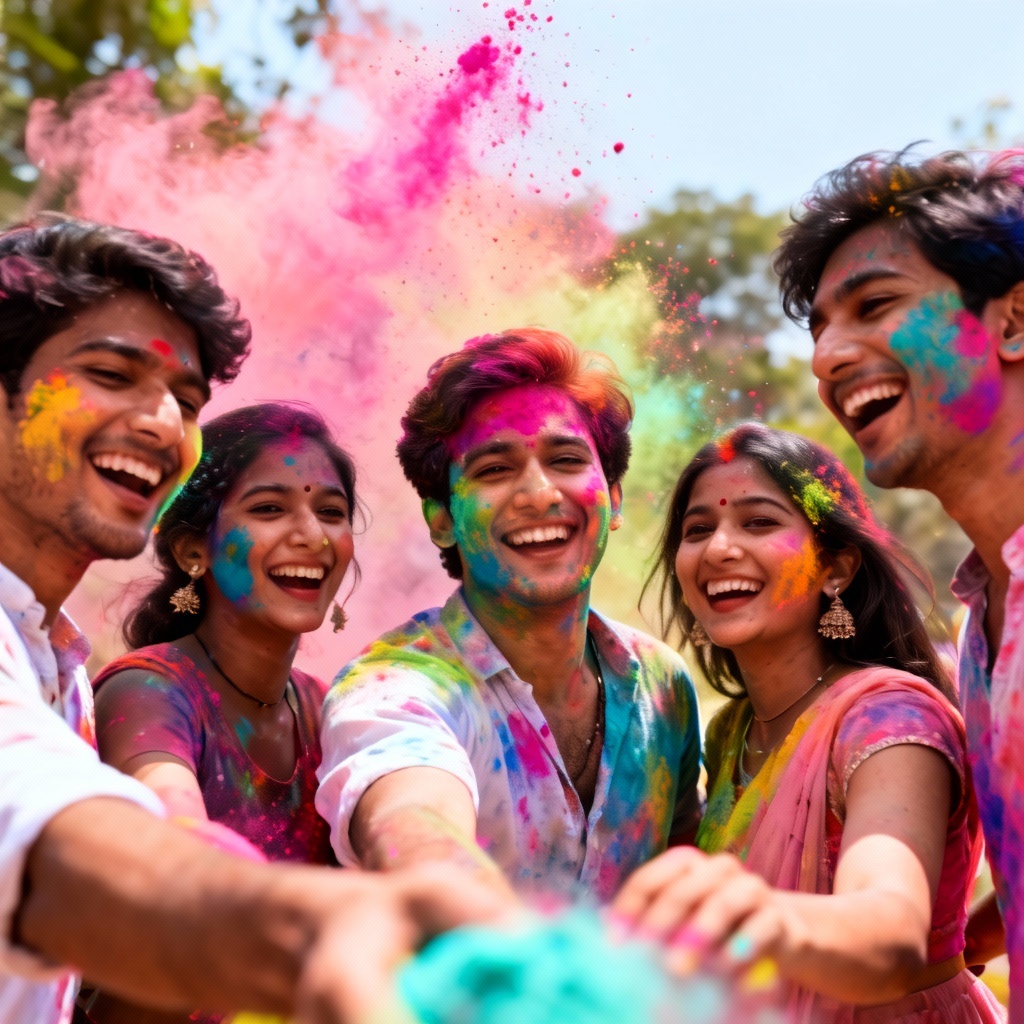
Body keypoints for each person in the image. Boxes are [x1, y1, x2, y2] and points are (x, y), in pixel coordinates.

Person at [0, 213, 506, 1024]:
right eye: (111, 373)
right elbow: (73, 833)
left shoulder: (52, 659)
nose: (163, 422)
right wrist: (311, 933)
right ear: (197, 550)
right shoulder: (144, 688)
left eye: (185, 399)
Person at [612, 423, 1004, 1023]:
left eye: (759, 522)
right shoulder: (731, 734)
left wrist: (751, 918)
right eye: (698, 530)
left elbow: (887, 928)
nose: (719, 548)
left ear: (836, 569)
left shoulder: (886, 723)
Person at [316, 328, 704, 900]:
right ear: (441, 518)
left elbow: (683, 872)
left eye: (566, 459)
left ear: (613, 498)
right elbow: (412, 824)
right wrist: (448, 886)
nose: (539, 493)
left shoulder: (661, 687)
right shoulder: (395, 689)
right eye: (494, 470)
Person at [772, 148, 1024, 1019]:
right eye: (819, 332)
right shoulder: (983, 624)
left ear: (1014, 320)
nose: (828, 359)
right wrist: (968, 947)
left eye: (874, 306)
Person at [83, 403, 356, 1023]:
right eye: (269, 508)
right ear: (191, 551)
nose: (312, 535)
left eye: (331, 513)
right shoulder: (149, 690)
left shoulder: (327, 708)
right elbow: (170, 816)